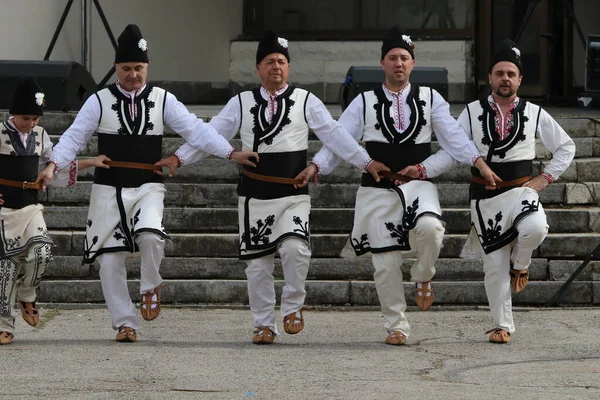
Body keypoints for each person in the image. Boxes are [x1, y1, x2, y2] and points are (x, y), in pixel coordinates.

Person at [158, 30, 388, 344]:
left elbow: (336, 136)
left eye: (281, 61)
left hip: (293, 194)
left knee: (296, 250)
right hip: (254, 195)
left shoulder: (305, 100)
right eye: (269, 61)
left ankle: (293, 306)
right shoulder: (241, 102)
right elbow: (209, 135)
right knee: (257, 265)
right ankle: (263, 324)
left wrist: (363, 162)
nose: (275, 66)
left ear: (289, 67)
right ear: (258, 68)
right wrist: (178, 157)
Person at [38, 24, 257, 343]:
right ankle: (125, 323)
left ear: (147, 67)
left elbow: (196, 130)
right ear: (116, 67)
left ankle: (150, 285)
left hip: (147, 187)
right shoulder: (99, 101)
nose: (133, 74)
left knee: (152, 237)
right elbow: (73, 138)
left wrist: (231, 153)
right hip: (108, 189)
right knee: (109, 259)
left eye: (138, 68)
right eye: (126, 68)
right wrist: (53, 164)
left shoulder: (162, 99)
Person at [307, 25, 499, 346]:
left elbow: (453, 137)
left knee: (431, 229)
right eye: (393, 57)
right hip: (376, 189)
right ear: (382, 62)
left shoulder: (429, 97)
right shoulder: (364, 101)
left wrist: (476, 162)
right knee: (384, 263)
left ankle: (423, 275)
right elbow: (339, 139)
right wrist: (318, 164)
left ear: (413, 63)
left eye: (405, 58)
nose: (399, 63)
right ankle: (396, 325)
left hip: (417, 184)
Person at [457, 39, 575, 343]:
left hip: (523, 191)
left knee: (536, 228)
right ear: (490, 78)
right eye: (499, 73)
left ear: (520, 79)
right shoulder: (470, 112)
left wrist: (545, 178)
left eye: (511, 73)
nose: (505, 78)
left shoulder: (535, 112)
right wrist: (421, 171)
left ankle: (521, 265)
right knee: (494, 266)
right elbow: (453, 146)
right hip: (484, 198)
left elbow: (566, 146)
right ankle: (503, 326)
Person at [0, 75, 108, 345]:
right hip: (3, 210)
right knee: (7, 267)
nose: (32, 123)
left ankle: (28, 294)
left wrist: (90, 162)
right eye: (26, 118)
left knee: (43, 252)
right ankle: (4, 324)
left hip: (31, 204)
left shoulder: (40, 135)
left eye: (36, 118)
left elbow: (54, 168)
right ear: (14, 112)